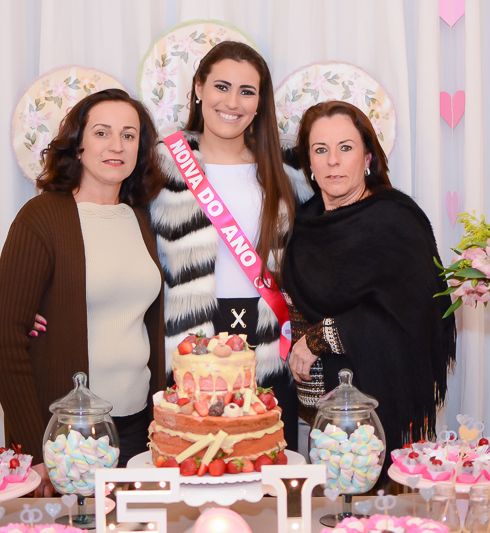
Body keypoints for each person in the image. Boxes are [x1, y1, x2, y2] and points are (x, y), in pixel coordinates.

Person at [0, 89, 166, 496]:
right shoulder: (42, 217)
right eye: (102, 133)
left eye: (129, 135)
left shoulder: (140, 218)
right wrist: (35, 448)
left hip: (138, 425)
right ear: (78, 145)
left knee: (135, 523)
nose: (116, 146)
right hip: (67, 433)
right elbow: (5, 338)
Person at [148, 41, 313, 451]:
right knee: (194, 458)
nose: (232, 102)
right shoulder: (161, 163)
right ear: (198, 88)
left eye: (247, 91)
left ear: (260, 102)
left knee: (267, 457)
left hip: (271, 339)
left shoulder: (288, 167)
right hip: (189, 340)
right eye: (221, 87)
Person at [282, 101, 456, 464]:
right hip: (318, 418)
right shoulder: (302, 223)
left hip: (383, 409)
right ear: (309, 163)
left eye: (345, 148)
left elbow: (417, 312)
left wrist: (320, 337)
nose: (333, 161)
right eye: (320, 150)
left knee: (379, 499)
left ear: (367, 158)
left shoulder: (395, 220)